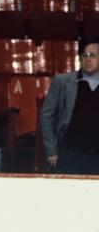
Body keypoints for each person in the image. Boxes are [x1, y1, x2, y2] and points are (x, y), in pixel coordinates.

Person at [40, 36, 99, 175]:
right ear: (79, 58)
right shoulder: (62, 81)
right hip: (69, 154)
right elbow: (45, 116)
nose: (88, 59)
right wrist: (51, 151)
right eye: (84, 55)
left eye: (93, 55)